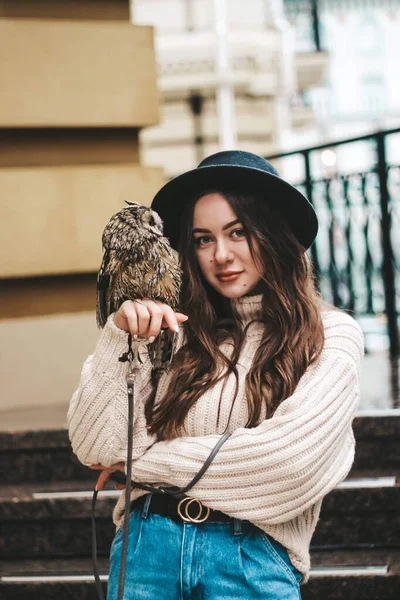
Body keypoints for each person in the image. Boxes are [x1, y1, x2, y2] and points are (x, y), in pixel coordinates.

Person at [68, 150, 364, 600]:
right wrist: (120, 339)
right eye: (203, 239)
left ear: (274, 234)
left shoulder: (330, 335)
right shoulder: (172, 330)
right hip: (146, 552)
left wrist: (137, 466)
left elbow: (287, 464)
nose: (221, 255)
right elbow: (93, 444)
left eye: (238, 233)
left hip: (250, 561)